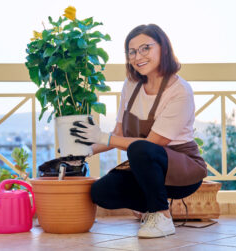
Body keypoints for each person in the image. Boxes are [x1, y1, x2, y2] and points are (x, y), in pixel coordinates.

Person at [70, 24, 207, 238]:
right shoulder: (131, 84)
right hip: (145, 166)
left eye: (145, 48)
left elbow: (153, 144)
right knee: (101, 193)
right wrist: (84, 151)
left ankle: (162, 217)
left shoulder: (180, 91)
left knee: (143, 148)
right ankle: (150, 208)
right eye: (132, 51)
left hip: (181, 170)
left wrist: (103, 137)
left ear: (163, 47)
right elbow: (119, 134)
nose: (137, 56)